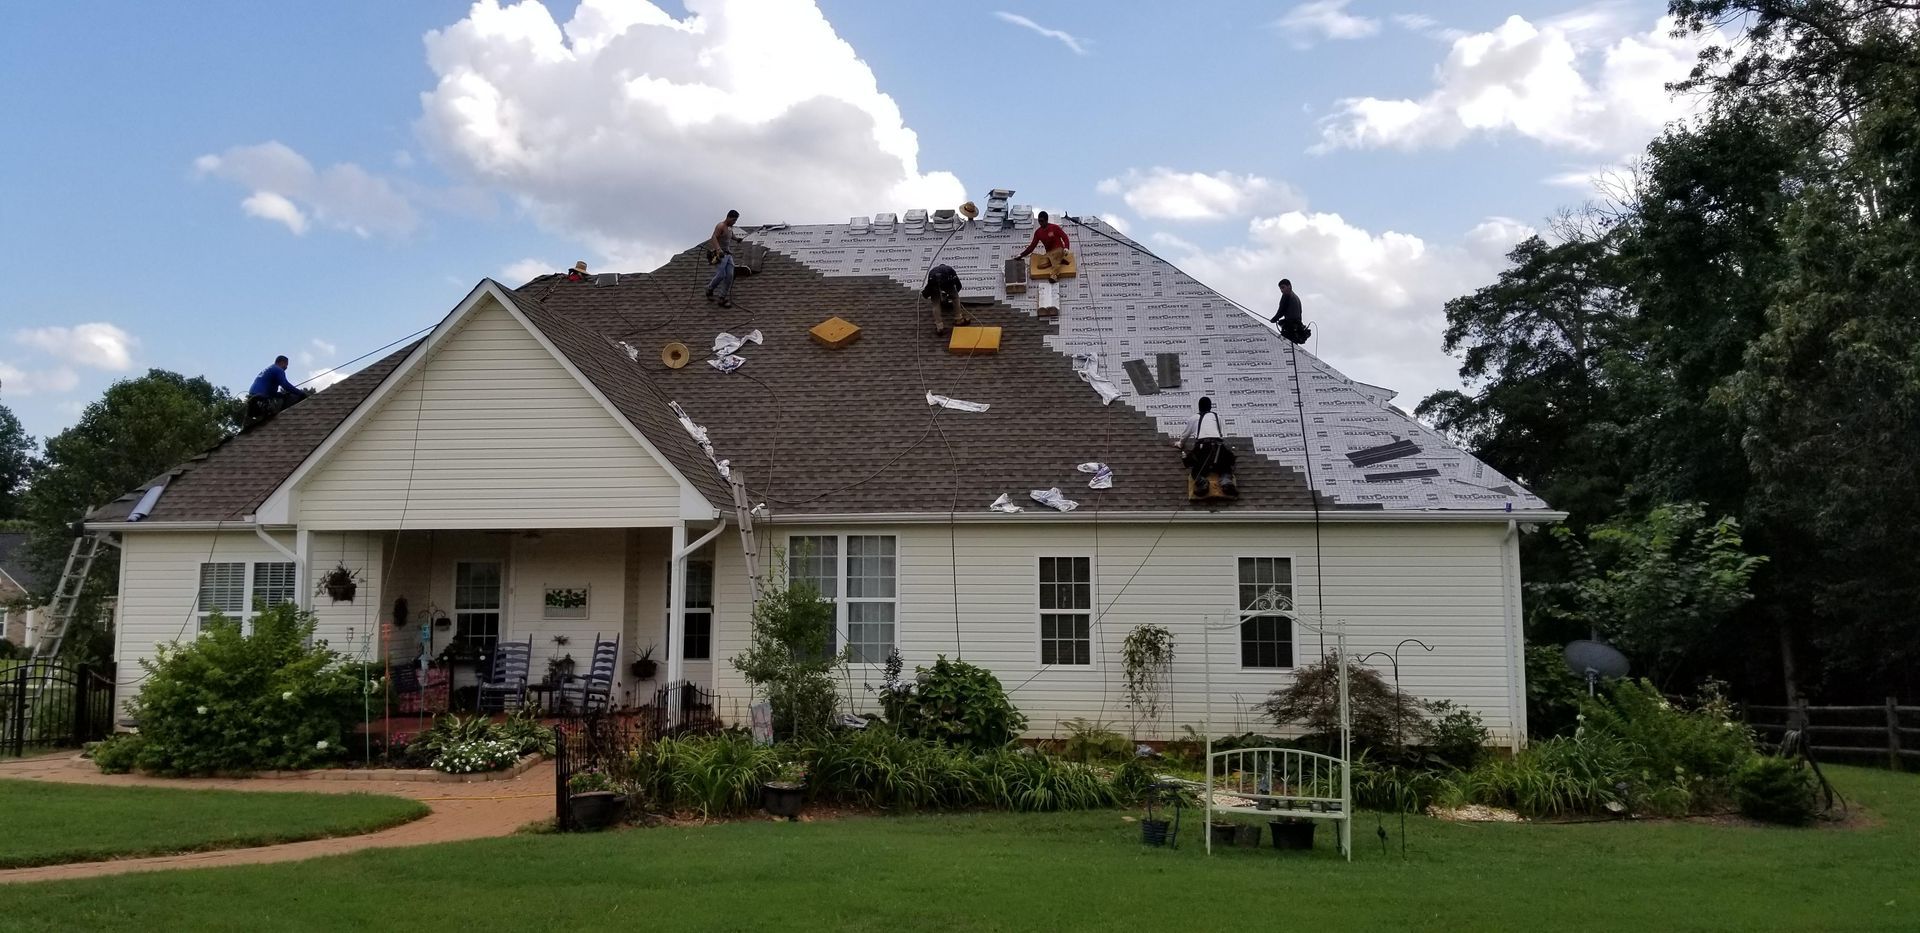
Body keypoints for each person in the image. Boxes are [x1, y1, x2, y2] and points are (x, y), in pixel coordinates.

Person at [1176, 396, 1236, 492]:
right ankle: (1226, 482)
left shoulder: (1194, 418)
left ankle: (1202, 484)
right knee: (1225, 467)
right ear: (1210, 407)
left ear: (1199, 407)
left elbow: (1185, 436)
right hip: (1219, 448)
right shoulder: (1217, 417)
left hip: (1203, 448)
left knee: (1196, 470)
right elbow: (1219, 433)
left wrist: (1180, 444)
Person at [244, 355, 308, 428]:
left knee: (252, 426)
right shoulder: (278, 370)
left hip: (252, 399)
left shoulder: (270, 369)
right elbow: (285, 385)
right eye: (286, 364)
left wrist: (282, 395)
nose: (286, 367)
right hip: (261, 399)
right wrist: (301, 393)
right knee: (272, 420)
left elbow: (271, 392)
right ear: (281, 362)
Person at [1014, 210, 1072, 281]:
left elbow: (1065, 237)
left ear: (1046, 220)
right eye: (1039, 221)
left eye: (1042, 221)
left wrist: (1066, 248)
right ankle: (1059, 260)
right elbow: (1032, 246)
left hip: (1058, 250)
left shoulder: (1054, 227)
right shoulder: (1038, 232)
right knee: (1040, 266)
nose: (1040, 223)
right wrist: (1021, 255)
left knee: (1056, 262)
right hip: (1049, 253)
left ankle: (1054, 276)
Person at [921, 264, 974, 336]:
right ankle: (958, 319)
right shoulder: (949, 269)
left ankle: (939, 327)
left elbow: (929, 286)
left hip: (933, 282)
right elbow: (958, 285)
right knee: (955, 297)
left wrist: (926, 294)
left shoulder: (932, 271)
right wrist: (952, 295)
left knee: (935, 303)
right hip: (945, 281)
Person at [706, 209, 742, 308]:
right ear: (729, 217)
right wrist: (718, 250)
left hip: (728, 255)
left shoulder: (730, 227)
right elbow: (713, 238)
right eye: (734, 220)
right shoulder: (720, 226)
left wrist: (737, 239)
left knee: (730, 275)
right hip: (720, 255)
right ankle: (709, 289)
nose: (734, 222)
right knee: (721, 275)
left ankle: (722, 297)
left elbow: (731, 235)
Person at [1270, 278, 1310, 344]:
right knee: (1293, 348)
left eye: (1283, 287)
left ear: (1289, 286)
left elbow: (1281, 311)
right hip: (1297, 329)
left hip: (1290, 329)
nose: (1281, 290)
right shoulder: (1296, 297)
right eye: (1280, 289)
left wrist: (1274, 319)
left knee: (1284, 346)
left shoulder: (1286, 296)